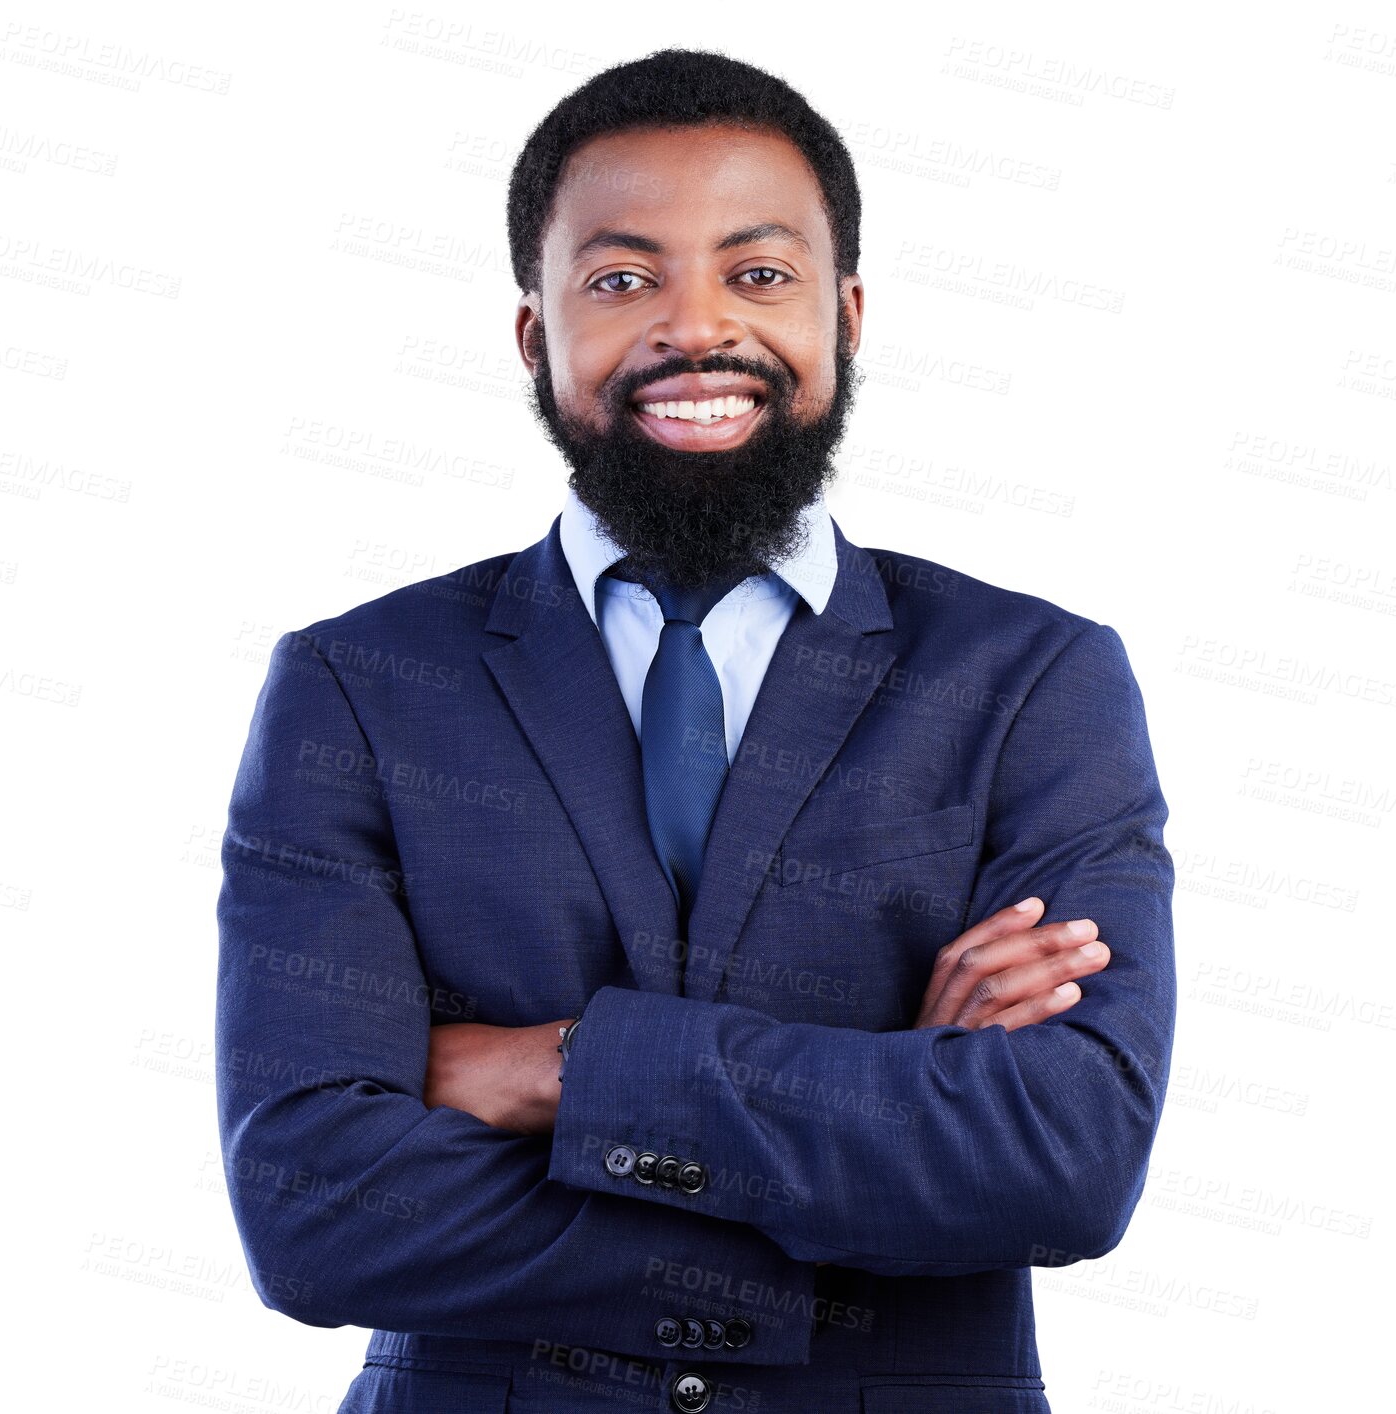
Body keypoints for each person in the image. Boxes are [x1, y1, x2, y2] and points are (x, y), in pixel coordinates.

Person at [215, 48, 1175, 1414]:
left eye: (758, 272)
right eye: (619, 279)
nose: (696, 324)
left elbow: (1063, 1161)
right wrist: (891, 1110)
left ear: (844, 313)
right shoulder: (359, 683)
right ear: (536, 334)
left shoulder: (1033, 679)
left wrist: (560, 1068)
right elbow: (313, 1206)